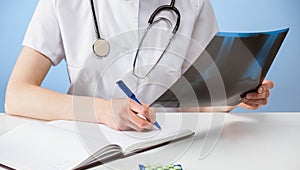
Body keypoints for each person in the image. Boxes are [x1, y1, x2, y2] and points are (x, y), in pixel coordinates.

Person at [5, 0, 274, 132]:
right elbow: (17, 95)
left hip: (168, 143)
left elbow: (196, 99)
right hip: (84, 144)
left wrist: (235, 94)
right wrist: (103, 111)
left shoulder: (192, 3)